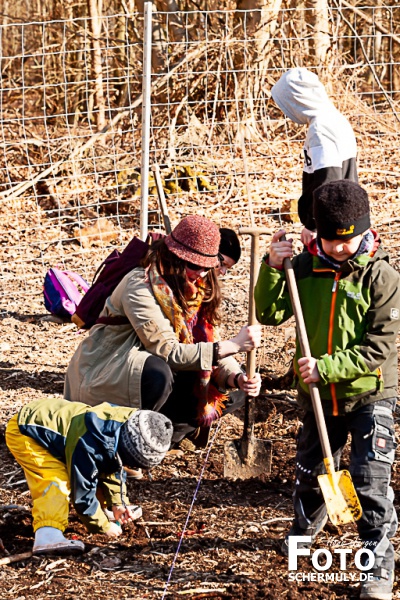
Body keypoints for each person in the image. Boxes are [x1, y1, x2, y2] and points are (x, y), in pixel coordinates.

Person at [254, 180, 400, 600]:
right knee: (313, 475)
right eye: (329, 240)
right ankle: (303, 534)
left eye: (347, 240)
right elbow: (270, 311)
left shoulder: (382, 276)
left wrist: (326, 367)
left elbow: (379, 347)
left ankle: (377, 565)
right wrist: (271, 268)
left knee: (370, 483)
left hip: (369, 394)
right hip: (318, 398)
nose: (338, 249)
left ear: (363, 230)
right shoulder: (304, 266)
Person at [64, 215, 261, 449]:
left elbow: (209, 344)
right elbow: (168, 351)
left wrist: (237, 378)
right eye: (195, 265)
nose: (200, 273)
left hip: (148, 370)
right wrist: (234, 345)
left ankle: (163, 437)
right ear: (174, 256)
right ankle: (127, 443)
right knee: (158, 373)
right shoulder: (140, 284)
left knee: (234, 392)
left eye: (207, 268)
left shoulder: (196, 288)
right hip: (106, 373)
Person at [5, 400, 173, 555]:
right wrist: (102, 526)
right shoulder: (88, 443)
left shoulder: (125, 427)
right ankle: (47, 534)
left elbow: (114, 468)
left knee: (102, 468)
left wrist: (118, 503)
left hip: (62, 430)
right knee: (56, 480)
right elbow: (82, 492)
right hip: (27, 432)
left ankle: (102, 510)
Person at [271, 67, 358, 247]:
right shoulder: (336, 119)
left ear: (297, 99)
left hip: (330, 225)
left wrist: (314, 225)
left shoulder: (320, 129)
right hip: (347, 214)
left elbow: (327, 179)